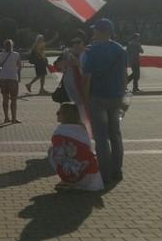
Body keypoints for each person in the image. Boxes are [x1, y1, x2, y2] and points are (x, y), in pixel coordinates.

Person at [81, 18, 128, 186]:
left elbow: (87, 78)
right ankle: (117, 170)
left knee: (101, 137)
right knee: (115, 134)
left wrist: (85, 99)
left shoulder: (91, 51)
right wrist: (122, 95)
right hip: (115, 97)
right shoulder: (120, 50)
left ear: (100, 32)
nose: (93, 32)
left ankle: (105, 174)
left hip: (97, 97)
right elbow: (124, 75)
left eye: (95, 30)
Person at [48, 103, 103, 192]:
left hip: (76, 174)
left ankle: (67, 180)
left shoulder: (60, 132)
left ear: (65, 115)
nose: (56, 114)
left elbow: (58, 155)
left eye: (59, 112)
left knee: (51, 151)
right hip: (91, 173)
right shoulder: (82, 130)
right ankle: (71, 181)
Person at [0, 39, 22, 124]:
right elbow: (19, 67)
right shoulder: (16, 54)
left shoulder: (0, 55)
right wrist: (19, 77)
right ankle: (14, 118)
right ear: (12, 45)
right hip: (12, 78)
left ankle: (6, 118)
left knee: (5, 99)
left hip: (3, 78)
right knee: (13, 99)